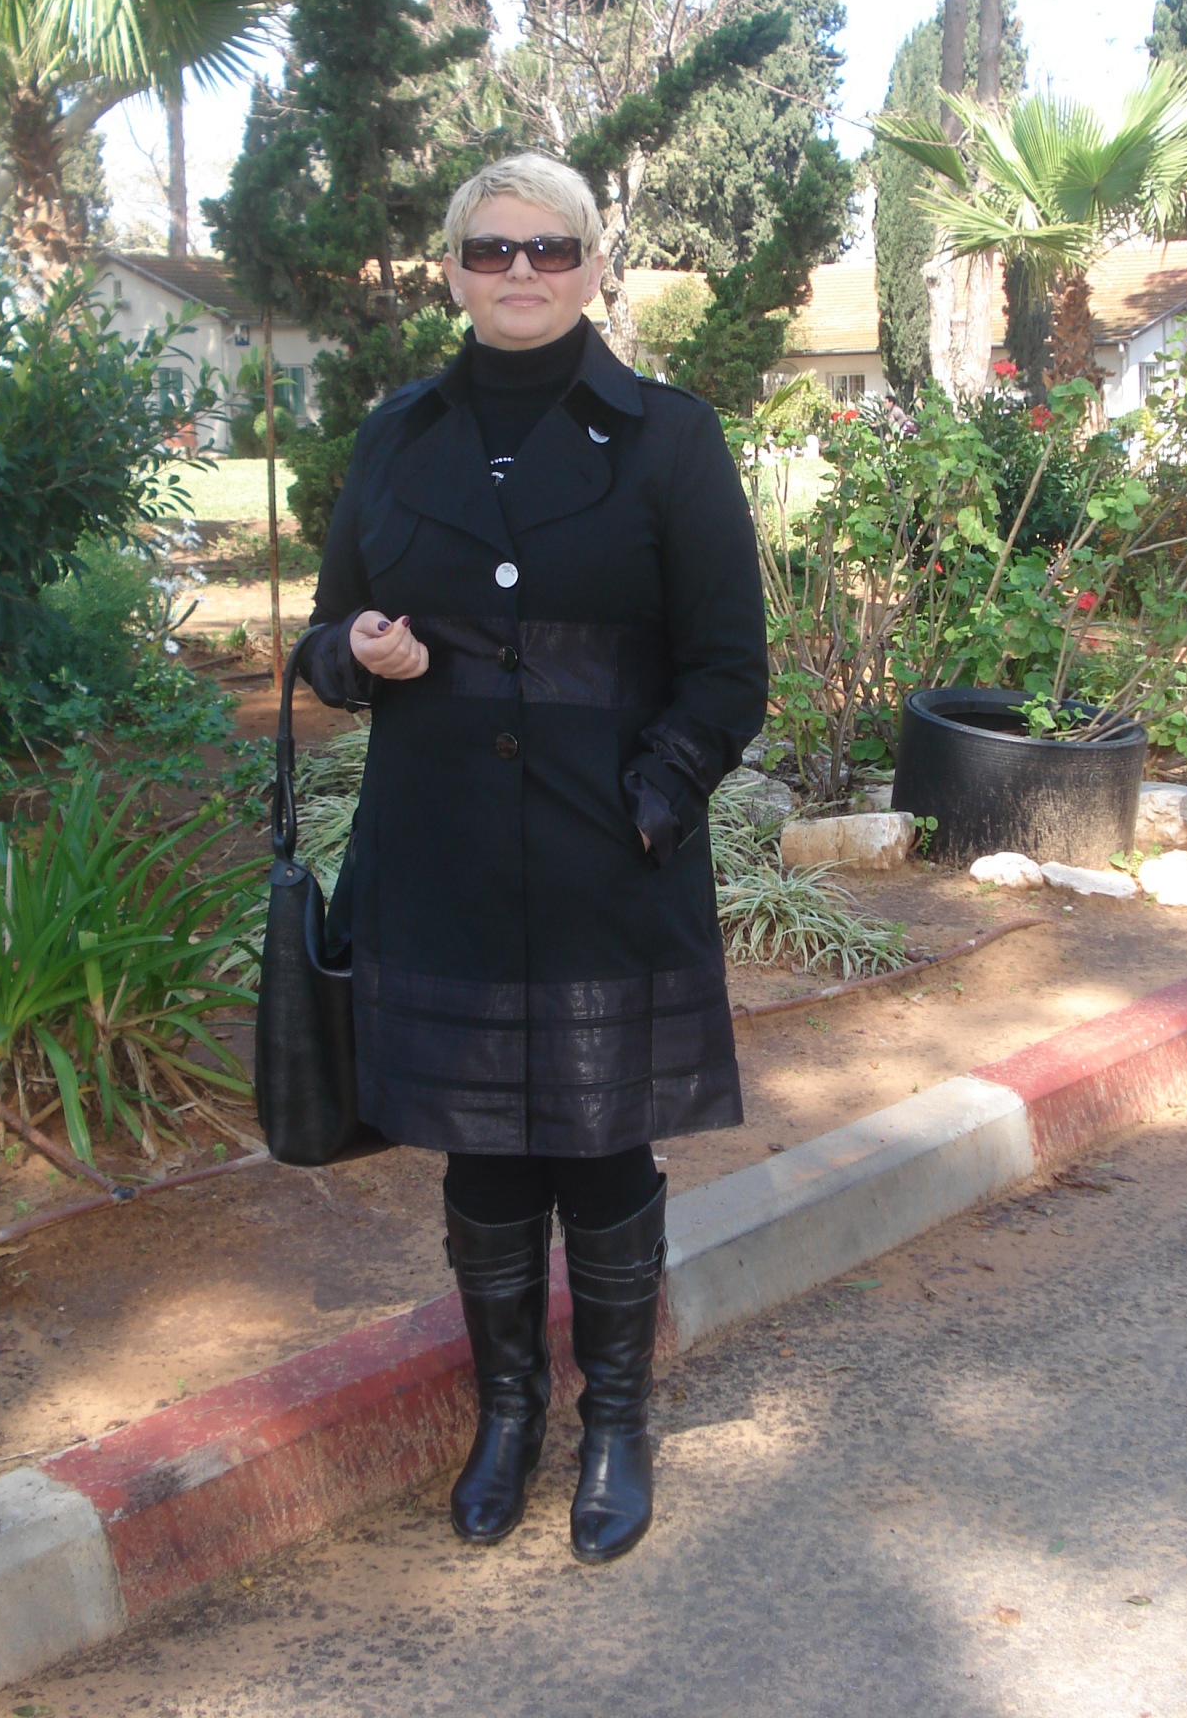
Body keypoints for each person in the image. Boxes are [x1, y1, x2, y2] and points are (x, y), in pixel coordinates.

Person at [304, 150, 767, 1562]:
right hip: (438, 853)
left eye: (551, 248)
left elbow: (728, 670)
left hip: (605, 853)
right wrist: (357, 650)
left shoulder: (670, 437)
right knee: (486, 1154)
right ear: (452, 269)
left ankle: (617, 1420)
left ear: (594, 268)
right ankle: (506, 1416)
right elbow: (327, 638)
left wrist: (654, 800)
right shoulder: (396, 436)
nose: (521, 271)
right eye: (492, 248)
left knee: (602, 1143)